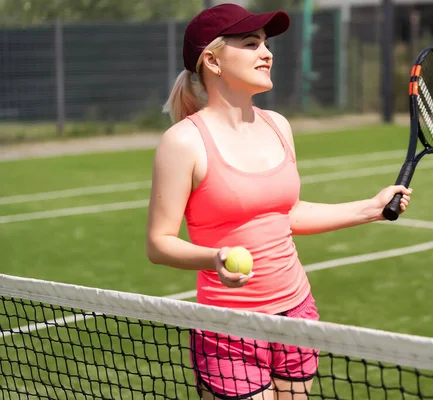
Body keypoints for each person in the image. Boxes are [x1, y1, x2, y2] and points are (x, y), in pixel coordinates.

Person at [145, 3, 413, 399]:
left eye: (266, 44)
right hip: (229, 327)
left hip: (297, 314)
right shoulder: (183, 142)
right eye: (251, 44)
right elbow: (158, 243)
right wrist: (212, 259)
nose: (267, 53)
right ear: (213, 60)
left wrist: (370, 209)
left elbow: (289, 214)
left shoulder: (279, 125)